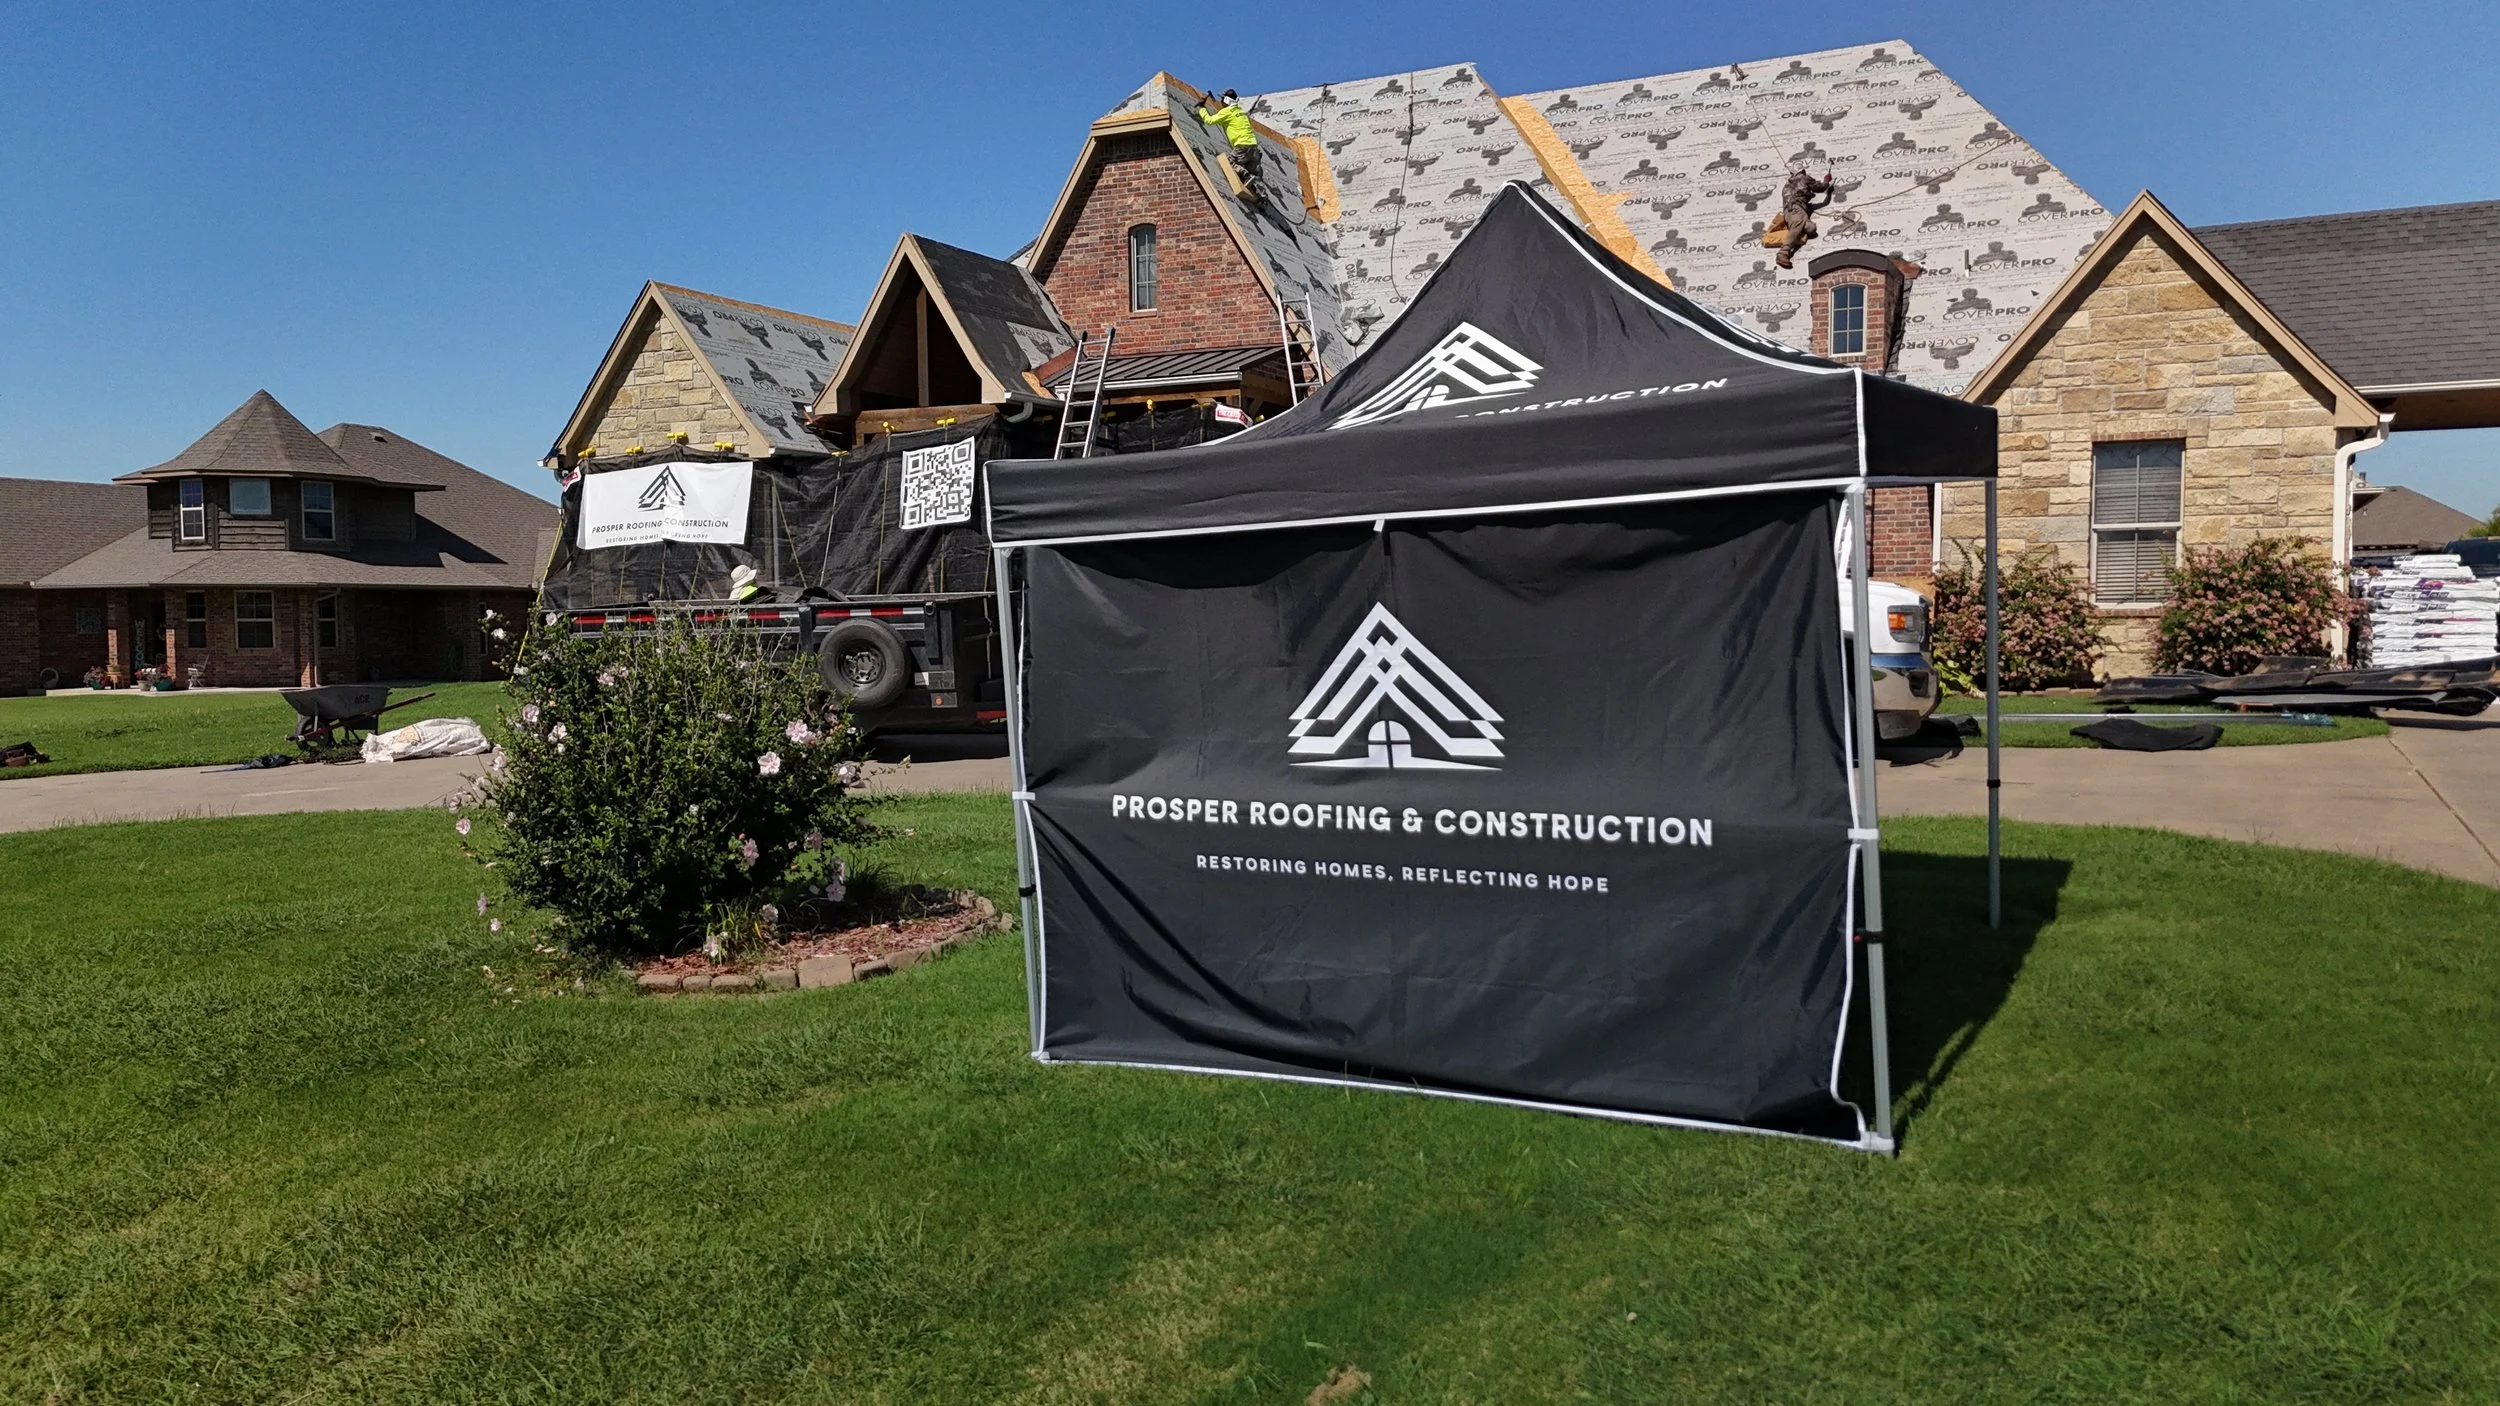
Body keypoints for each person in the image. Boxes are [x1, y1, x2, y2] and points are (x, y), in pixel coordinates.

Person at [1197, 89, 1263, 189]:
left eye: (1222, 99)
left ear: (1227, 100)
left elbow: (1209, 120)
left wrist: (1202, 108)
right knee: (1254, 176)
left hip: (1242, 146)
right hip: (1253, 148)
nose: (1221, 101)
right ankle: (1262, 197)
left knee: (1227, 161)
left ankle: (1245, 174)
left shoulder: (1227, 112)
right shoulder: (1240, 111)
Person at [1773, 167, 1836, 269]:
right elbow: (1820, 187)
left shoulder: (1787, 185)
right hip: (1795, 209)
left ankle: (1796, 234)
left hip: (1790, 211)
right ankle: (1783, 252)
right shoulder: (1803, 178)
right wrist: (1827, 180)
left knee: (1810, 228)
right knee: (1798, 222)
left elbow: (1799, 193)